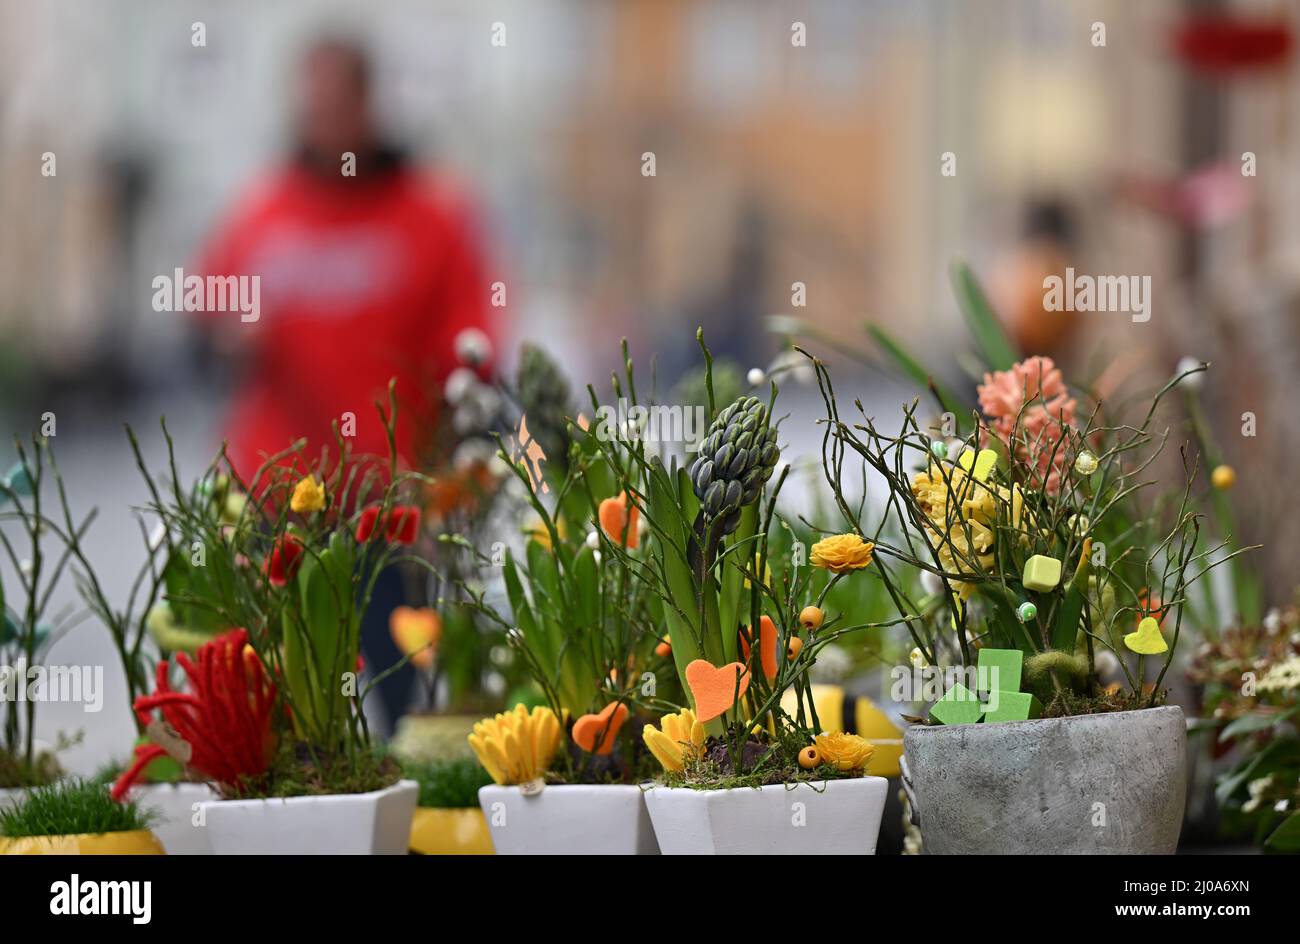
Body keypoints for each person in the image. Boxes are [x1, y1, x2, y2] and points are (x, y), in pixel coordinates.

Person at [195, 35, 498, 731]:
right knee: (276, 705)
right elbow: (205, 321)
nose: (320, 118)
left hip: (387, 507)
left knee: (405, 706)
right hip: (275, 503)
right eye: (311, 103)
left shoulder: (431, 217)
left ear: (367, 103)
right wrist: (227, 334)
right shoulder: (261, 212)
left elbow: (472, 353)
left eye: (336, 102)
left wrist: (451, 476)